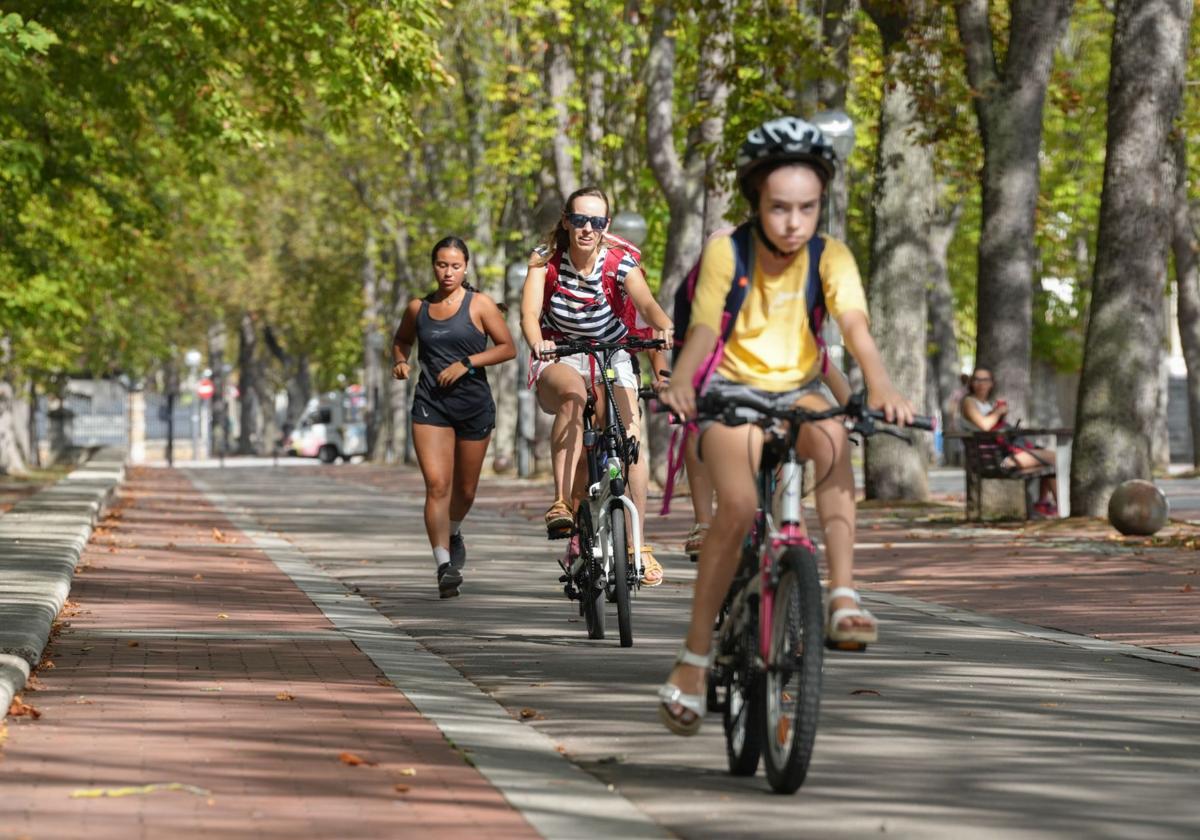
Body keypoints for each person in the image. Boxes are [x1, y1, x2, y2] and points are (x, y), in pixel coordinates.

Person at [657, 116, 914, 735]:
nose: (794, 221)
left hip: (795, 392)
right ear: (755, 202)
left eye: (808, 207)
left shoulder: (832, 257)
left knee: (830, 438)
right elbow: (701, 330)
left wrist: (878, 387)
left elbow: (853, 329)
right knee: (739, 506)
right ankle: (693, 659)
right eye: (779, 208)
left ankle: (843, 595)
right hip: (729, 393)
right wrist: (683, 384)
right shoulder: (729, 252)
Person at [521, 186, 674, 586]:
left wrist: (663, 324)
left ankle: (637, 544)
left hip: (611, 353)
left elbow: (646, 303)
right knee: (573, 396)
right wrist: (537, 341)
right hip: (562, 352)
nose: (587, 228)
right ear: (566, 221)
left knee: (630, 436)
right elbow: (529, 312)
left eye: (597, 221)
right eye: (579, 220)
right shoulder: (545, 260)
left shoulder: (620, 262)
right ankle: (560, 504)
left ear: (606, 225)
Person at [392, 236, 516, 598]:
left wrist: (466, 363)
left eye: (455, 266)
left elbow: (507, 347)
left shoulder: (480, 305)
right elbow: (402, 340)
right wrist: (400, 361)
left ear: (466, 267)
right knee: (437, 485)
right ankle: (443, 564)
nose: (448, 272)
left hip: (474, 405)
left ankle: (455, 530)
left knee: (465, 489)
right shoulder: (418, 308)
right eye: (442, 265)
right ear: (433, 266)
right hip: (431, 404)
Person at [959, 366, 1057, 515]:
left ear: (992, 383)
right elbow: (985, 425)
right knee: (1054, 458)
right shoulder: (969, 402)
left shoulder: (989, 405)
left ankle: (1044, 503)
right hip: (999, 462)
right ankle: (1055, 508)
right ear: (971, 382)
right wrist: (998, 412)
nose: (981, 383)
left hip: (1005, 455)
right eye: (977, 379)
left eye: (985, 380)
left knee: (1052, 461)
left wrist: (998, 412)